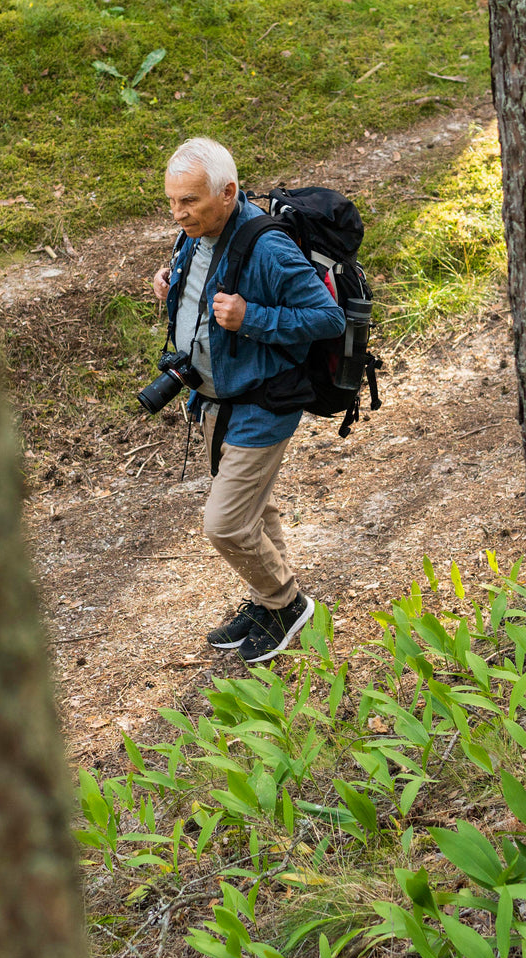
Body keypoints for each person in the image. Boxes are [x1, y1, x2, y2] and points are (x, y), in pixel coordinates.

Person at [151, 138, 345, 664]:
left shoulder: (267, 247)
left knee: (227, 524)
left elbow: (328, 318)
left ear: (228, 192)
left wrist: (252, 317)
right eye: (172, 201)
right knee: (256, 510)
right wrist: (171, 285)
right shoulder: (192, 235)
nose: (178, 212)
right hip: (215, 398)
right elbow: (200, 301)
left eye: (189, 201)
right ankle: (268, 600)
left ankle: (286, 604)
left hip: (263, 400)